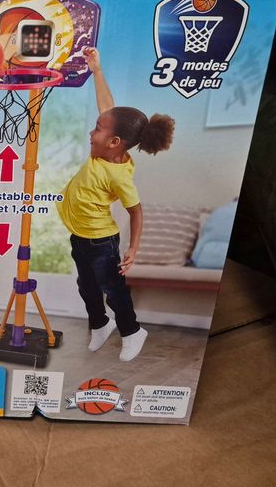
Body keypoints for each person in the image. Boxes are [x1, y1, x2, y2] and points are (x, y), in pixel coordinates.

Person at [58, 47, 175, 362]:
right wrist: (96, 70)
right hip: (80, 235)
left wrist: (133, 249)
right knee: (86, 286)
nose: (91, 131)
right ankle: (100, 324)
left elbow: (136, 211)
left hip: (101, 242)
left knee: (114, 290)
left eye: (97, 129)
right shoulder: (103, 150)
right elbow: (107, 107)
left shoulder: (119, 174)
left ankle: (133, 331)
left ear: (114, 142)